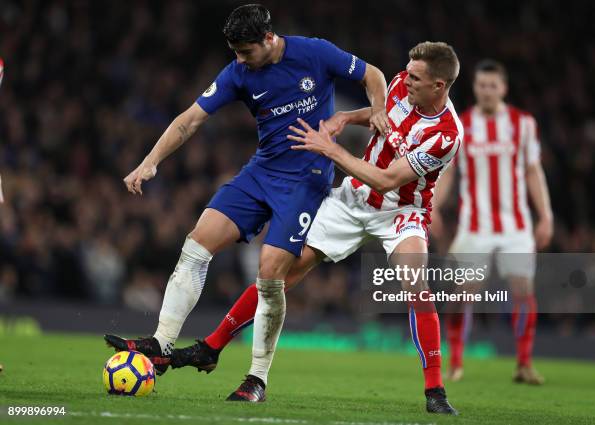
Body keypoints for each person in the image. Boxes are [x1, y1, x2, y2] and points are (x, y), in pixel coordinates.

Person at [103, 3, 388, 402]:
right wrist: (150, 162)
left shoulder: (315, 52)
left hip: (306, 179)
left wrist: (379, 109)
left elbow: (372, 74)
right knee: (197, 241)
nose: (239, 60)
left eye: (245, 52)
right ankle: (162, 343)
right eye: (235, 52)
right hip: (262, 171)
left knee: (270, 272)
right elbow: (189, 119)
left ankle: (256, 378)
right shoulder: (238, 72)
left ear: (269, 39)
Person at [170, 41, 462, 415]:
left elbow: (388, 180)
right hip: (354, 199)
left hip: (402, 210)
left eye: (416, 78)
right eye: (407, 71)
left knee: (416, 285)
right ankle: (211, 347)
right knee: (278, 274)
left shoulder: (447, 134)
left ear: (439, 86)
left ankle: (435, 391)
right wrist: (347, 118)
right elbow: (381, 113)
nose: (405, 80)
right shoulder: (402, 82)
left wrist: (331, 149)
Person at [430, 59, 553, 384]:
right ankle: (455, 362)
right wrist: (433, 208)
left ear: (503, 88)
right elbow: (450, 173)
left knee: (523, 291)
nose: (487, 91)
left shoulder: (522, 124)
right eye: (481, 85)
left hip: (515, 226)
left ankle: (524, 364)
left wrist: (546, 216)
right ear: (475, 88)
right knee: (460, 294)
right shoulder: (462, 124)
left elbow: (532, 171)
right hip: (475, 226)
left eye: (492, 85)